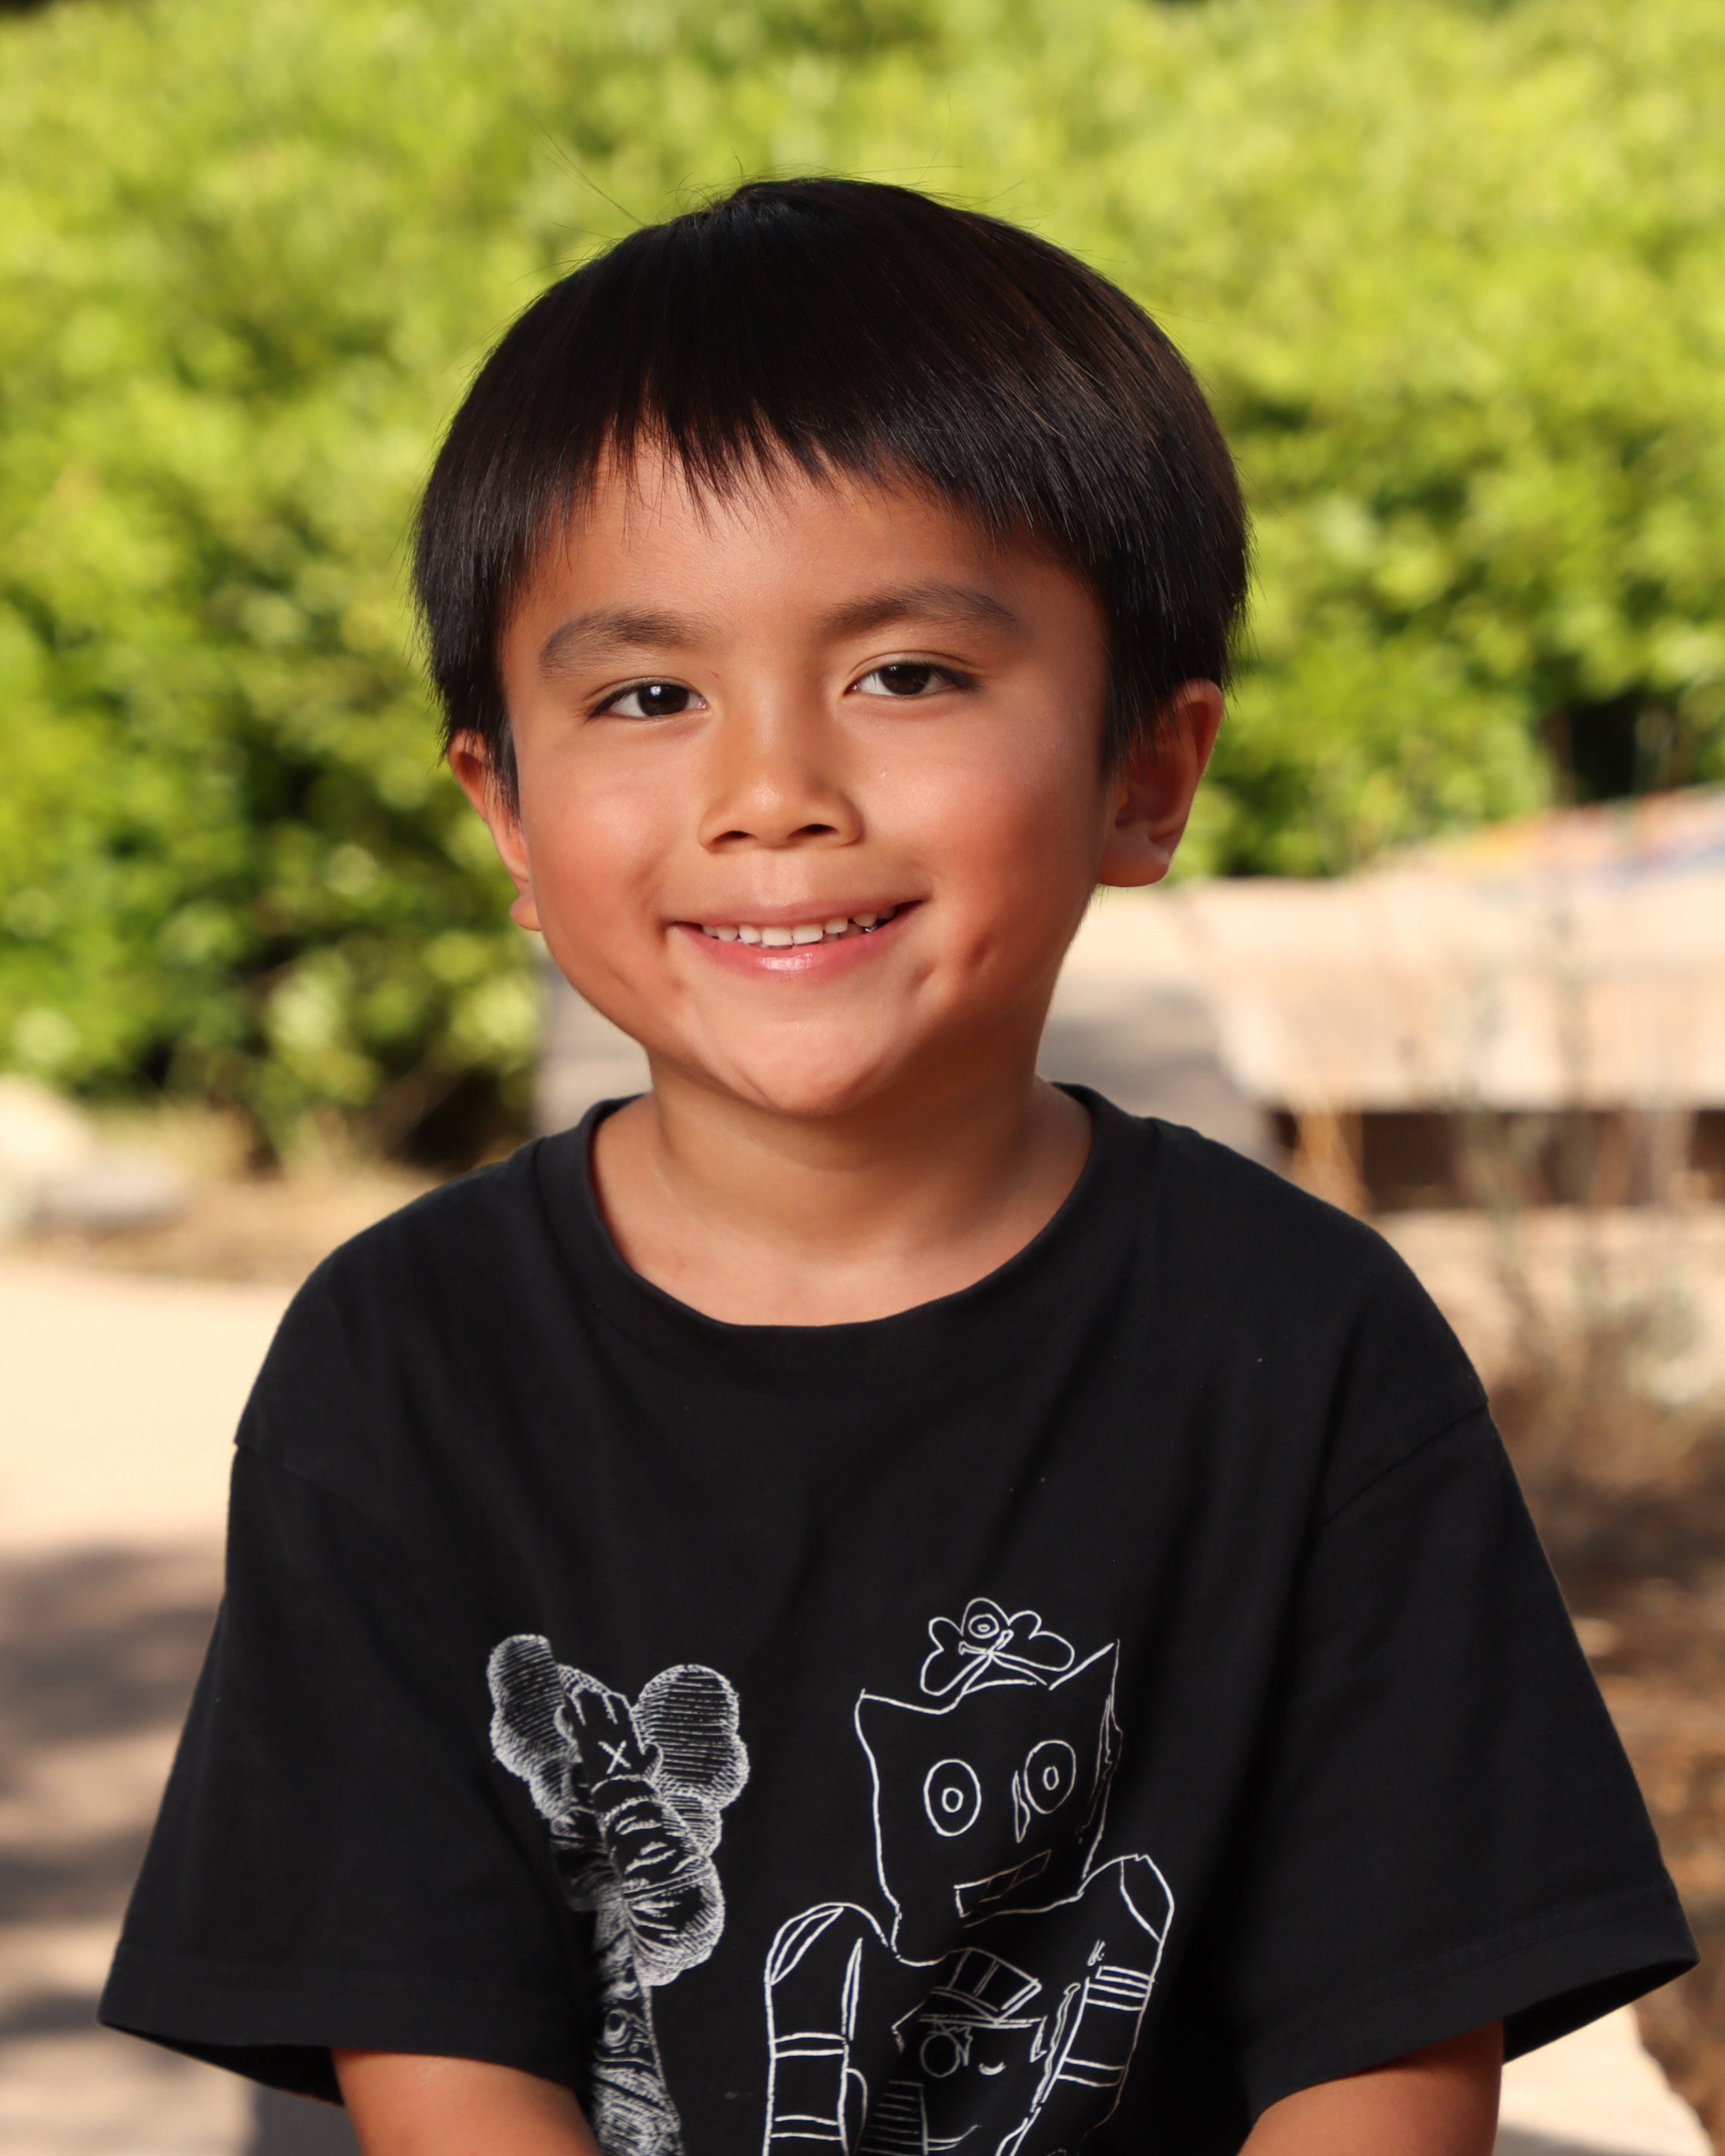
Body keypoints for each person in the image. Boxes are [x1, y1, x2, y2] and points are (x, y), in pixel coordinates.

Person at [101, 179, 1693, 2156]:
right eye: (648, 696)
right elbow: (427, 2044)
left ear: (1146, 769)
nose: (772, 793)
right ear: (503, 811)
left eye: (907, 674)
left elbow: (1395, 2030)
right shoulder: (403, 1362)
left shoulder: (1306, 1346)